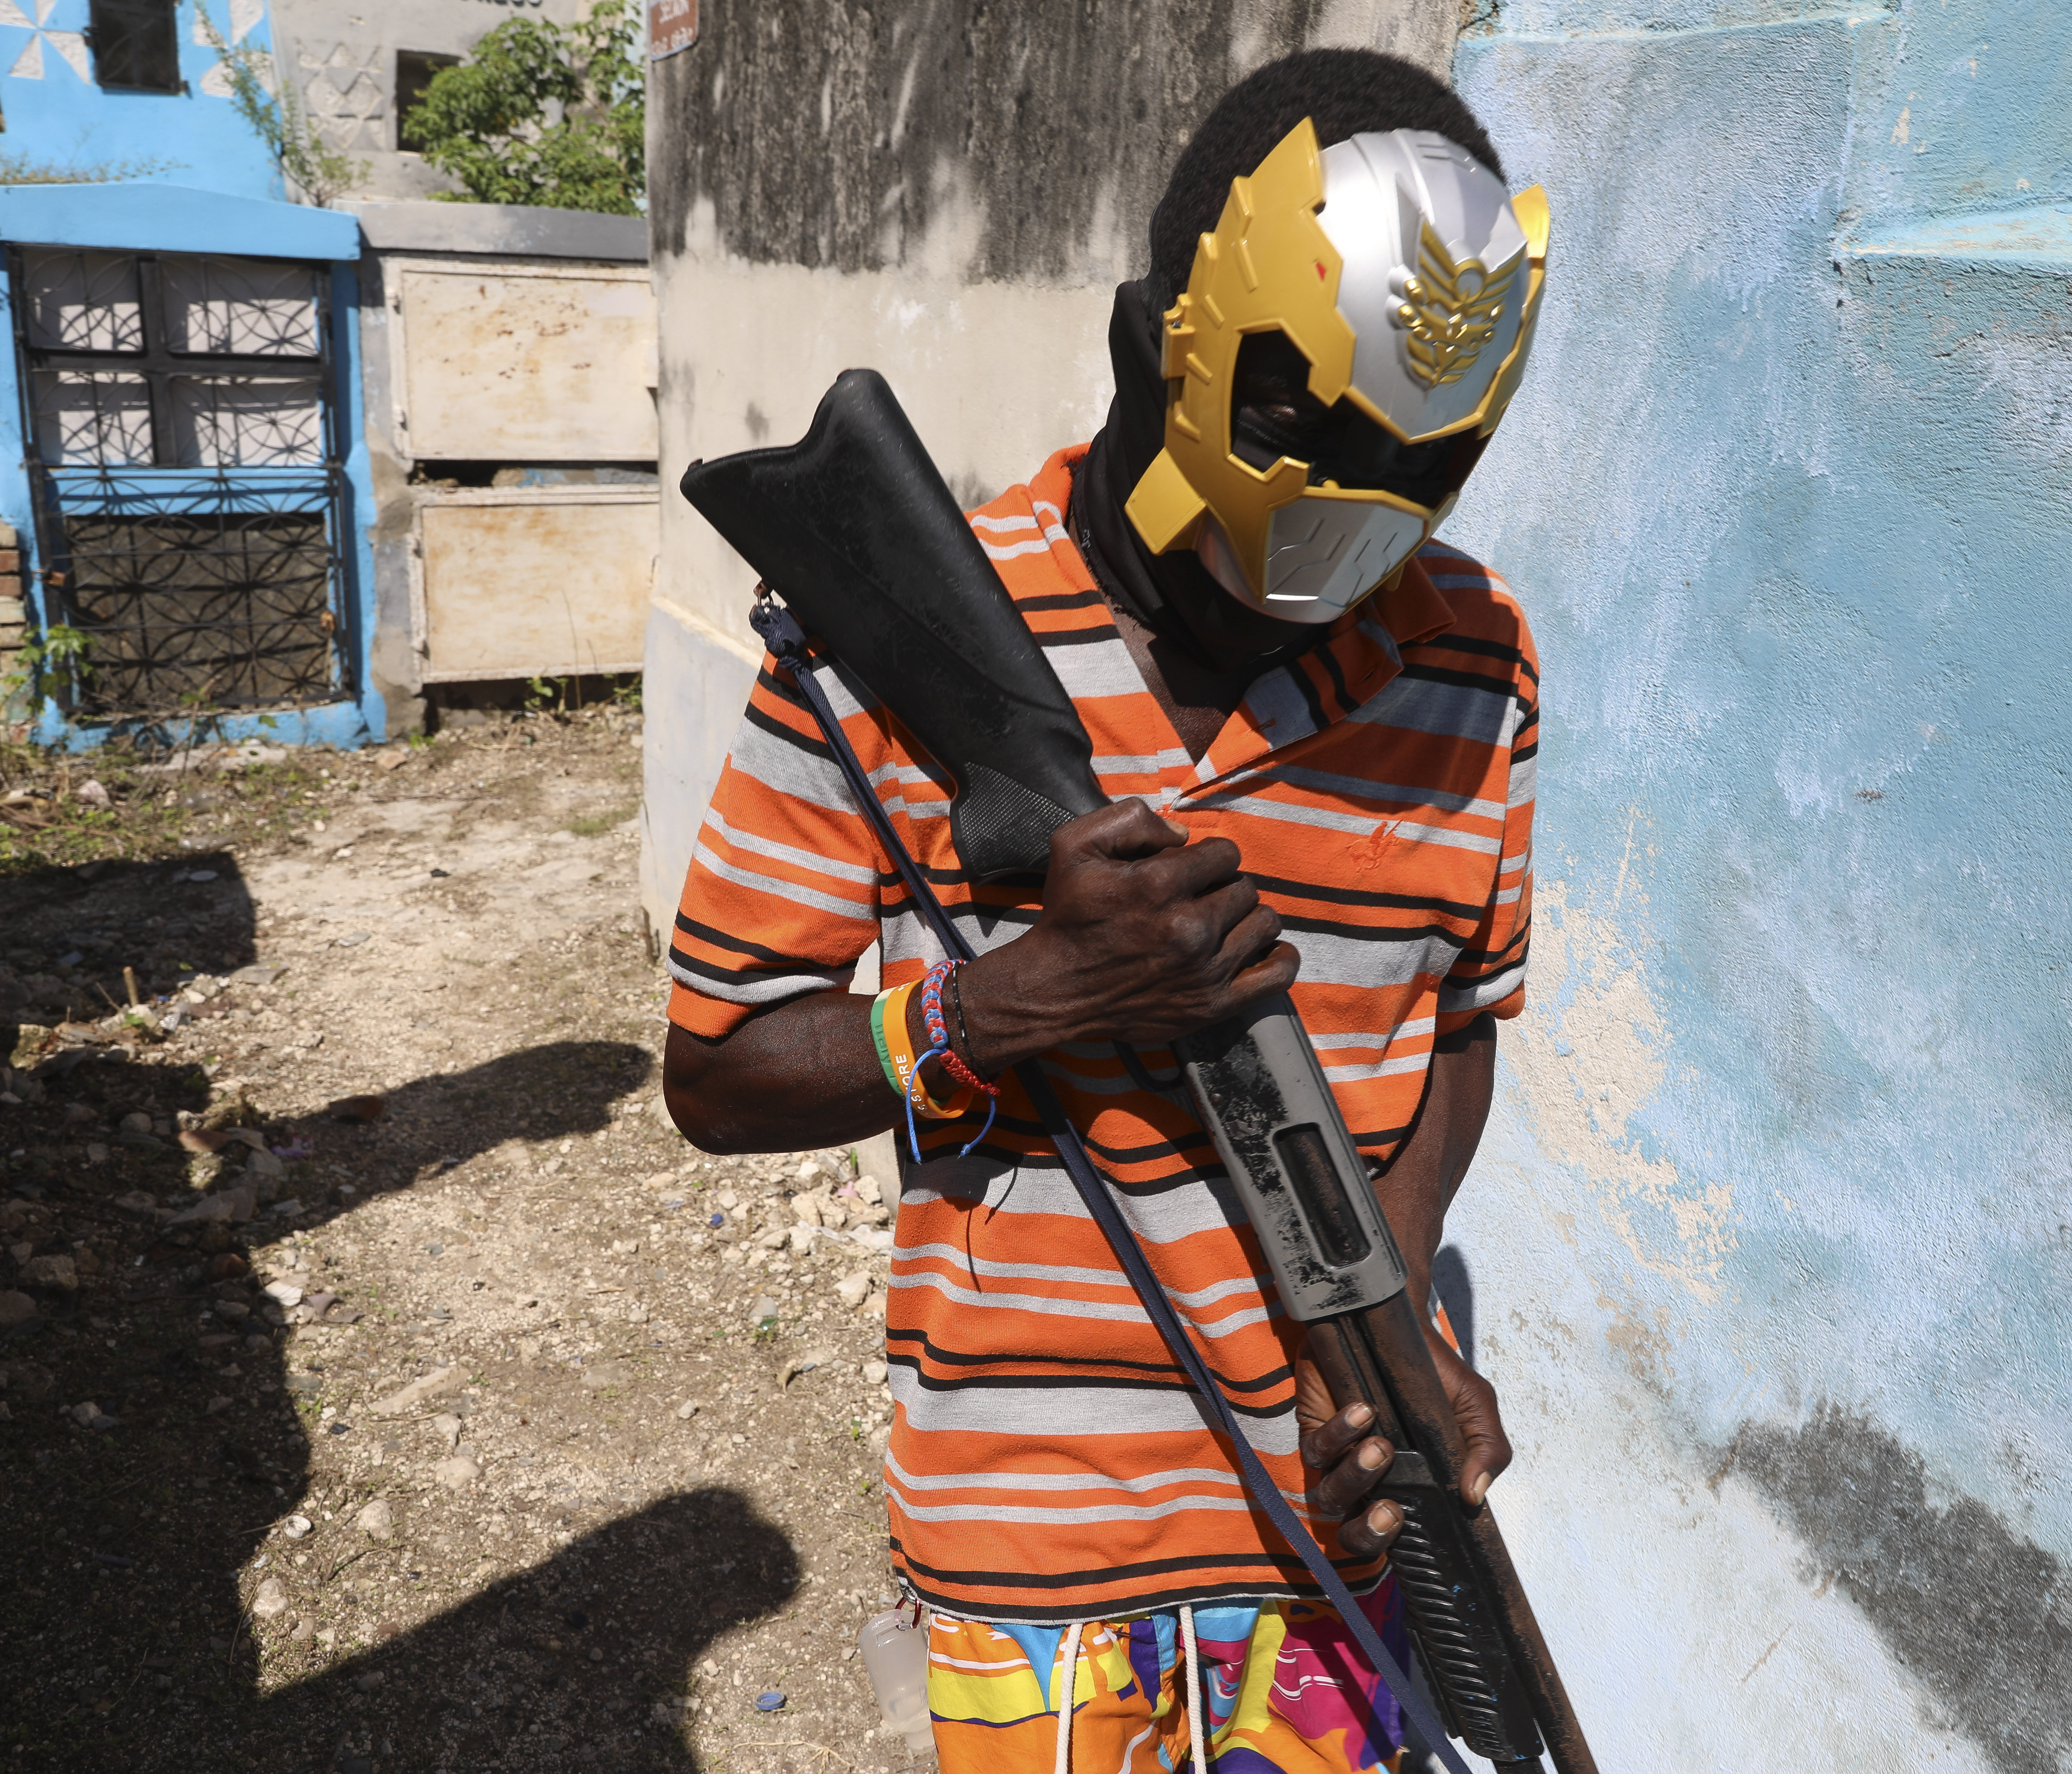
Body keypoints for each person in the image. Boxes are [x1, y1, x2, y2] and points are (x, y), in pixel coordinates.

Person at [662, 47, 1547, 1774]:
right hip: (1034, 1560)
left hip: (1335, 1557)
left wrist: (1385, 1322)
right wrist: (1014, 1004)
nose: (1348, 539)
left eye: (1413, 469)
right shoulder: (895, 644)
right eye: (1298, 444)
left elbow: (1453, 1019)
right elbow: (717, 1072)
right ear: (1159, 346)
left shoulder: (1477, 658)